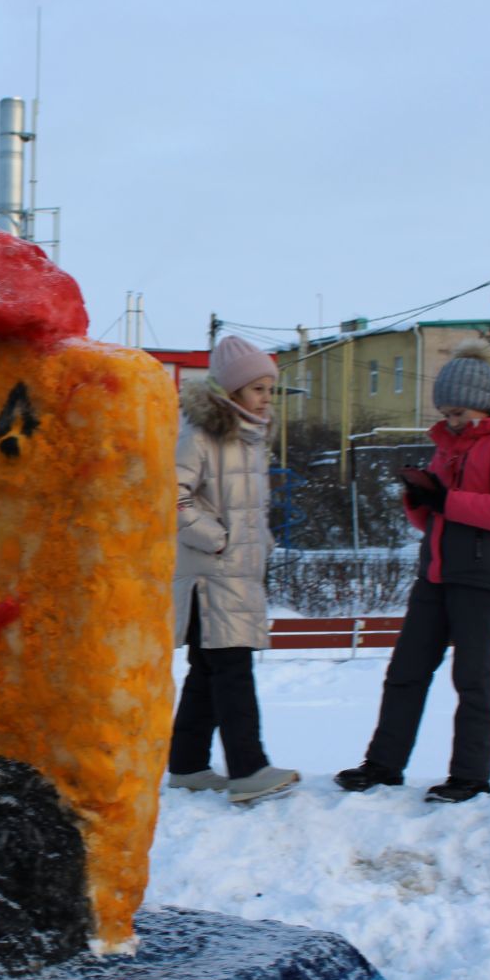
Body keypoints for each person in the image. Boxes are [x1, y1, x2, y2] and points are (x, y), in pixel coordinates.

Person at [335, 339, 490, 804]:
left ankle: (470, 776)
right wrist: (420, 499)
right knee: (405, 671)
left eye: (457, 413)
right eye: (446, 412)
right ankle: (383, 765)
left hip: (480, 577)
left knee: (473, 678)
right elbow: (435, 516)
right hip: (434, 573)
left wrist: (445, 500)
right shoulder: (447, 445)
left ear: (480, 405)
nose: (450, 421)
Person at [167, 335, 299, 804]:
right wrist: (217, 538)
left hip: (235, 574)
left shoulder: (249, 439)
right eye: (258, 389)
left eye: (270, 389)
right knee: (232, 670)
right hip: (212, 576)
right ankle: (248, 769)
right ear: (232, 391)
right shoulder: (201, 436)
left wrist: (257, 544)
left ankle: (187, 765)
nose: (267, 398)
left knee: (208, 670)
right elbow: (168, 496)